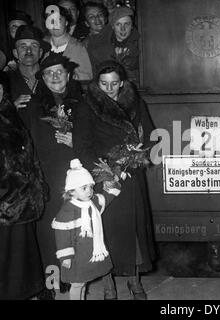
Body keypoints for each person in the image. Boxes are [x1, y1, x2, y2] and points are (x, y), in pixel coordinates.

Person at [76, 60, 156, 300]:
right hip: (103, 176)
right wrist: (105, 171)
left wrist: (137, 155)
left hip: (131, 174)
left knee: (132, 229)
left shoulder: (135, 102)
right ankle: (108, 284)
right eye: (103, 84)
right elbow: (82, 146)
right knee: (105, 232)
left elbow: (151, 135)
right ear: (96, 83)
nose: (109, 89)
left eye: (114, 84)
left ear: (121, 83)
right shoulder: (86, 106)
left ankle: (134, 281)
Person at [18, 53, 88, 300]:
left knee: (78, 229)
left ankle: (77, 279)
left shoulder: (85, 102)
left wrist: (76, 140)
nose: (55, 76)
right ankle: (52, 282)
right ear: (43, 78)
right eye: (49, 73)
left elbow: (98, 139)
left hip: (78, 180)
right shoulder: (31, 106)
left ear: (68, 75)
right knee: (49, 232)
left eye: (60, 72)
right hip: (47, 179)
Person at [0, 72, 47, 299]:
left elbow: (29, 154)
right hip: (4, 205)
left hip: (21, 202)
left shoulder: (10, 116)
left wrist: (37, 184)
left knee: (19, 263)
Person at [52, 159, 120, 300]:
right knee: (77, 284)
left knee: (83, 283)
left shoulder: (92, 202)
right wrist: (66, 257)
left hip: (88, 253)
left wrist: (114, 183)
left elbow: (107, 198)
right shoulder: (68, 210)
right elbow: (62, 235)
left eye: (91, 187)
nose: (89, 191)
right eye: (84, 188)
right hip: (76, 256)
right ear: (71, 191)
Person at [87, 6, 140, 87]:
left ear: (132, 26)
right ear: (112, 26)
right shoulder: (97, 46)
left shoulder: (141, 44)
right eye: (118, 24)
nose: (123, 29)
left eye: (127, 24)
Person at [45, 5, 93, 82]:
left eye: (59, 20)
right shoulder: (41, 44)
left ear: (66, 22)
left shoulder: (78, 47)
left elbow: (88, 76)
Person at [6, 25, 50, 108]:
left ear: (40, 53)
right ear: (15, 53)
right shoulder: (6, 80)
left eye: (34, 46)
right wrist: (11, 108)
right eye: (23, 46)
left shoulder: (53, 77)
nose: (29, 51)